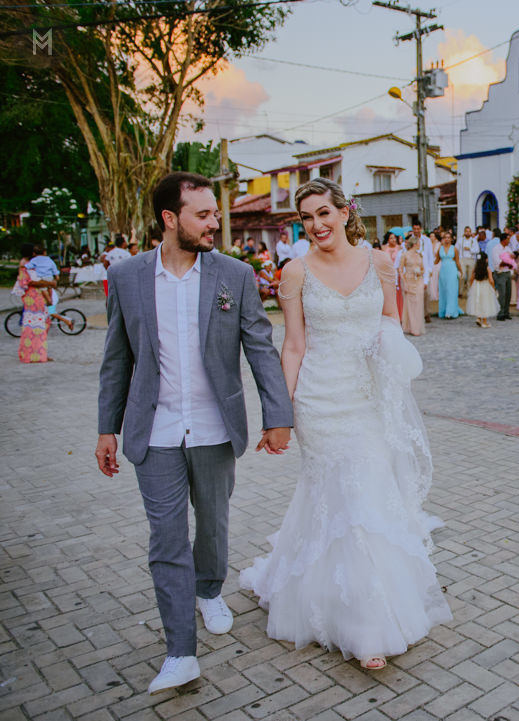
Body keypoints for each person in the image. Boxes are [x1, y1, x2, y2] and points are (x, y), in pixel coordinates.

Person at [241, 177, 451, 669]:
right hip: (319, 400)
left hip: (366, 397)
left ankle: (371, 617)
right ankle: (361, 628)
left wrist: (384, 344)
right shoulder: (295, 273)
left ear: (343, 212)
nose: (316, 225)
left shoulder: (379, 261)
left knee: (367, 496)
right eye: (307, 217)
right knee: (331, 498)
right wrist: (280, 415)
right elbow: (292, 345)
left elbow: (390, 321)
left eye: (323, 214)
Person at [95, 172, 293, 695]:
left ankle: (209, 591)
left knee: (213, 523)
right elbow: (116, 360)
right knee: (166, 541)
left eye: (214, 213)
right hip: (153, 431)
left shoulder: (235, 274)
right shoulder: (128, 277)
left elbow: (260, 349)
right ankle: (180, 651)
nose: (214, 223)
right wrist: (105, 429)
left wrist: (278, 416)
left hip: (213, 429)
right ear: (169, 219)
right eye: (203, 214)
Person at [15, 244, 55, 362]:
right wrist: (50, 284)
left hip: (33, 296)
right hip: (33, 297)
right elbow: (32, 281)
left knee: (39, 323)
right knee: (37, 324)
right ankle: (34, 354)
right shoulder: (26, 265)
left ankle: (36, 353)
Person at [398, 236, 426, 336]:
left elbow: (423, 269)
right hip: (408, 280)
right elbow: (400, 269)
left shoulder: (420, 255)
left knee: (418, 303)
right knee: (410, 304)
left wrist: (420, 272)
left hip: (418, 280)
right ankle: (412, 327)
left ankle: (417, 327)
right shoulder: (405, 255)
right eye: (418, 243)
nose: (419, 245)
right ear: (414, 244)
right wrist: (404, 282)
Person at [434, 232, 463, 318]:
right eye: (445, 238)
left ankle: (450, 312)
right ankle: (443, 310)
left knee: (452, 290)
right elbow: (436, 261)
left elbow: (457, 261)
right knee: (443, 291)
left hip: (452, 270)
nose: (447, 239)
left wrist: (461, 271)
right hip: (443, 271)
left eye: (448, 237)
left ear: (451, 239)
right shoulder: (440, 249)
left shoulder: (454, 249)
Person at [465, 251, 497, 328]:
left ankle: (478, 318)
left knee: (478, 302)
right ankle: (484, 322)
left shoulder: (475, 268)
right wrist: (493, 287)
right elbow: (491, 280)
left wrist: (472, 286)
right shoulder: (487, 268)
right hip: (485, 286)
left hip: (477, 285)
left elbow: (471, 278)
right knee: (485, 303)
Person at [487, 232, 514, 321]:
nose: (509, 241)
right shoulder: (496, 249)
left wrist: (510, 263)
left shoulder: (508, 248)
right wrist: (507, 262)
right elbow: (497, 262)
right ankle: (500, 313)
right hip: (500, 273)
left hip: (507, 272)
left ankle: (506, 312)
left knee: (508, 293)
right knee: (502, 294)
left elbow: (511, 259)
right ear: (504, 240)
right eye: (508, 239)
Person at [458, 226, 479, 297]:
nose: (467, 232)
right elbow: (456, 249)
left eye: (469, 231)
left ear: (471, 232)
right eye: (466, 231)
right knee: (462, 276)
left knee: (470, 277)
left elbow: (477, 250)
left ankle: (469, 293)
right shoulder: (460, 240)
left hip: (471, 259)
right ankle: (460, 292)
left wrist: (470, 249)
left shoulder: (474, 240)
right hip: (462, 259)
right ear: (464, 232)